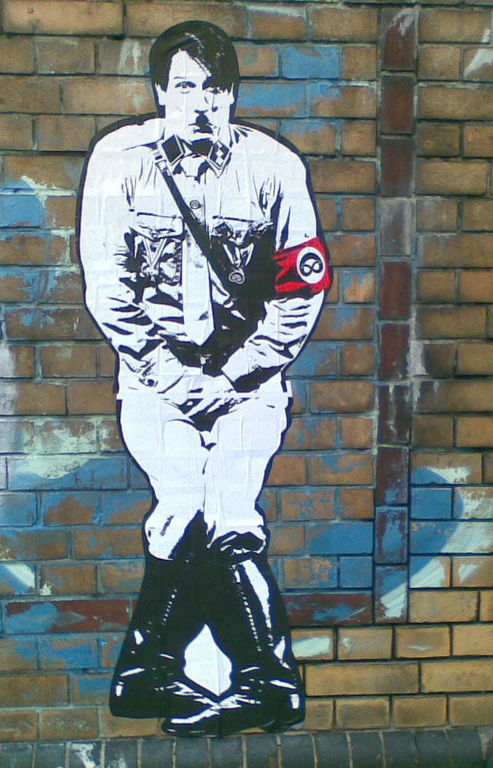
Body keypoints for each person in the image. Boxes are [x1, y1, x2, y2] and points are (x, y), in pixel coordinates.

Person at [77, 20, 331, 737]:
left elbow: (300, 289)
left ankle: (155, 676)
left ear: (232, 95)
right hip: (155, 383)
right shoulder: (119, 161)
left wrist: (238, 375)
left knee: (226, 513)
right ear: (161, 91)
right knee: (189, 506)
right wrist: (174, 378)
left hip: (250, 383)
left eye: (215, 88)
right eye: (185, 86)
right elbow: (108, 289)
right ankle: (259, 684)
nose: (200, 102)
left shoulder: (274, 168)